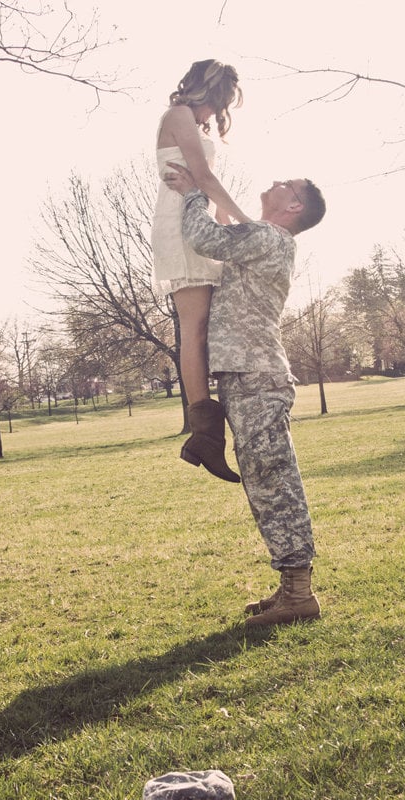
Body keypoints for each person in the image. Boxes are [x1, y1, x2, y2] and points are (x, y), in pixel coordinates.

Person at [164, 163, 327, 627]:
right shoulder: (263, 238)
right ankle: (289, 589)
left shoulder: (272, 238)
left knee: (274, 481)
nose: (277, 181)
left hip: (257, 378)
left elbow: (206, 239)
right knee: (262, 482)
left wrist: (194, 193)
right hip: (246, 377)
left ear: (293, 206)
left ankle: (300, 595)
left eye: (287, 184)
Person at [151, 59, 251, 484]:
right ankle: (205, 435)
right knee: (194, 328)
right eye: (217, 102)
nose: (216, 113)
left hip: (198, 221)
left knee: (207, 324)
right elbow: (204, 177)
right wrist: (248, 224)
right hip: (180, 223)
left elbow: (204, 185)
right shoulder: (176, 115)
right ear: (203, 91)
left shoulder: (191, 121)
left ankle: (209, 431)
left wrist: (224, 227)